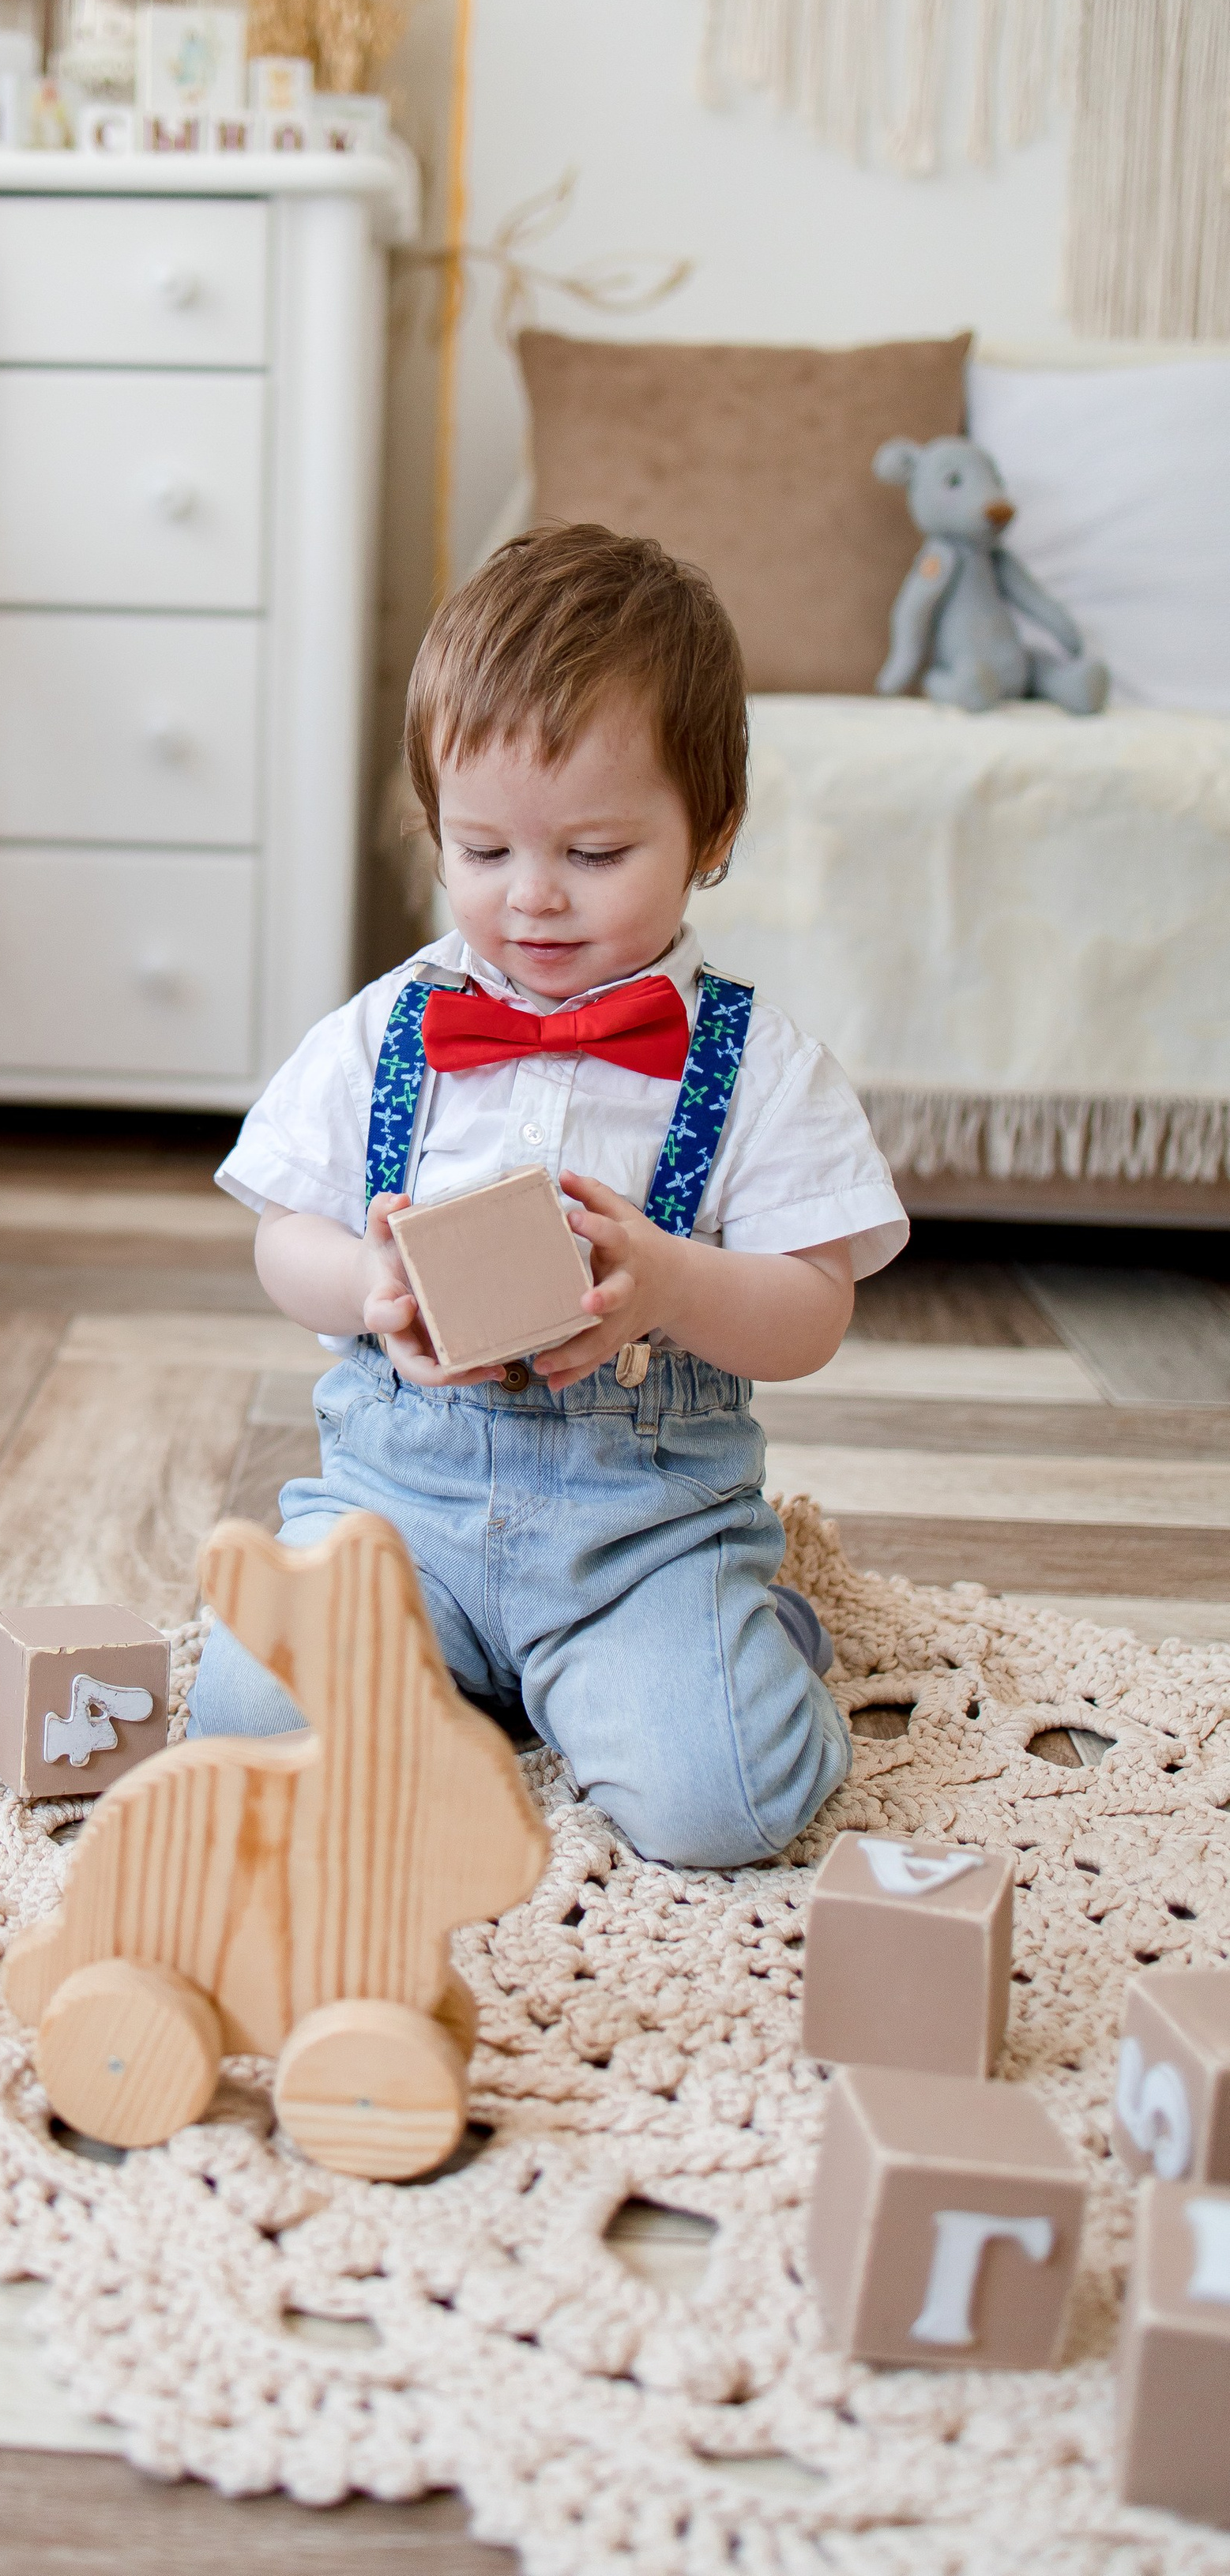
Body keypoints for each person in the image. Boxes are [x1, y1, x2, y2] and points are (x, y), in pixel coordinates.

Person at [190, 524, 908, 1867]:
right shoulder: (387, 1028)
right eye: (482, 852)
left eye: (592, 854)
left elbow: (813, 1314)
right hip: (399, 1507)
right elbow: (283, 1234)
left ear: (711, 835)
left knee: (723, 1808)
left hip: (642, 1530)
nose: (532, 900)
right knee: (242, 1717)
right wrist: (367, 1285)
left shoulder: (759, 1066)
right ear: (436, 830)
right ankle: (469, 1684)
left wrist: (676, 1282)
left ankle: (729, 1644)